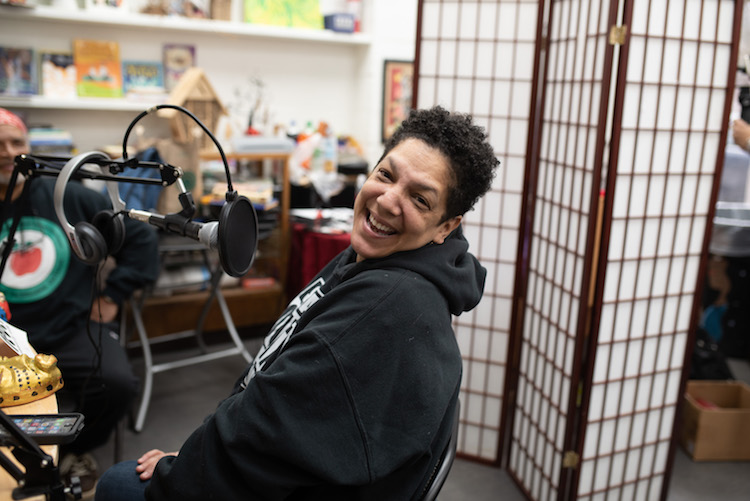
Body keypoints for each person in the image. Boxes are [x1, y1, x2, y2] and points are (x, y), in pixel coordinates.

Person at [95, 105, 499, 501]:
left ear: (446, 226)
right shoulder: (372, 259)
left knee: (116, 484)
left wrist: (181, 474)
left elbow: (264, 436)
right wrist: (198, 449)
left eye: (420, 199)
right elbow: (268, 395)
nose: (388, 201)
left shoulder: (388, 308)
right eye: (386, 175)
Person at [0, 108, 160, 496]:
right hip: (5, 338)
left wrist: (113, 294)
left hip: (71, 325)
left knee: (118, 382)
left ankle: (76, 452)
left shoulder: (66, 196)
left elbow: (140, 238)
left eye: (16, 143)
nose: (7, 152)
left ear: (29, 148)